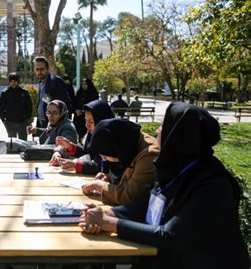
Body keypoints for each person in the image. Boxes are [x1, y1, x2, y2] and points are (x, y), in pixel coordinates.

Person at [80, 102, 249, 269]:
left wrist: (108, 222)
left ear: (178, 135)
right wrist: (107, 212)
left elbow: (169, 236)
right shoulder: (175, 167)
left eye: (163, 126)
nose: (157, 131)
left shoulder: (213, 184)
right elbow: (146, 204)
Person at [80, 118, 159, 205]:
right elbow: (127, 172)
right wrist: (109, 177)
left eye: (105, 156)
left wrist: (100, 186)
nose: (104, 160)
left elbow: (131, 196)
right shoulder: (127, 144)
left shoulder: (149, 155)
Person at [50, 100, 115, 175]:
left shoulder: (110, 138)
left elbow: (102, 166)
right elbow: (88, 153)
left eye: (90, 122)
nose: (86, 125)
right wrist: (70, 147)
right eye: (86, 121)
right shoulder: (92, 134)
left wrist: (76, 165)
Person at [33, 56, 72, 128]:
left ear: (48, 69)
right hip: (43, 123)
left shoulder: (56, 82)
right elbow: (43, 102)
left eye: (41, 69)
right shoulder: (41, 83)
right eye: (37, 69)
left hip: (54, 125)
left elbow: (66, 105)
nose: (39, 72)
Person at [0, 72, 33, 140]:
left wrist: (28, 119)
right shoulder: (5, 93)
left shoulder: (24, 92)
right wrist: (3, 119)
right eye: (11, 81)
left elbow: (29, 106)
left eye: (15, 81)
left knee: (23, 142)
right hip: (10, 122)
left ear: (18, 81)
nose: (13, 83)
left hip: (23, 122)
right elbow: (1, 107)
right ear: (9, 82)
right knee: (12, 144)